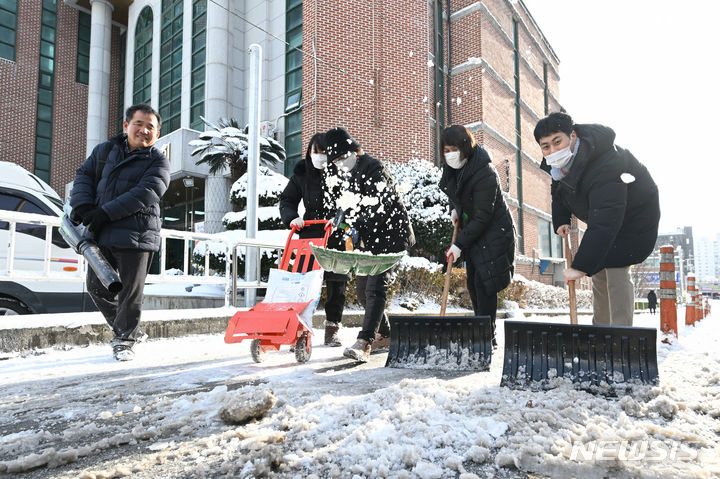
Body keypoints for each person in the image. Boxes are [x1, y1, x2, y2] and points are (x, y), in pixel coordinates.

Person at [533, 112, 660, 327]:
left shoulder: (605, 161)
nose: (552, 151)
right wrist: (561, 219)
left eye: (557, 142)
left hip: (634, 217)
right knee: (599, 272)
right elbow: (560, 192)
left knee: (616, 270)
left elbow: (606, 220)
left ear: (572, 136)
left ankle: (621, 337)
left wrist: (580, 266)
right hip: (605, 216)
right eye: (546, 147)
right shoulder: (561, 166)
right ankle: (601, 334)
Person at [70, 104, 170, 361]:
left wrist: (103, 213)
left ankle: (125, 340)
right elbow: (84, 175)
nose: (144, 130)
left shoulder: (158, 160)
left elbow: (146, 193)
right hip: (102, 233)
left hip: (137, 235)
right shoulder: (105, 151)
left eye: (151, 127)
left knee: (130, 292)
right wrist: (82, 205)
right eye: (139, 124)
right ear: (126, 126)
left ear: (157, 134)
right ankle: (129, 329)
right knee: (96, 286)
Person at [323, 127, 414, 362]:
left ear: (354, 150)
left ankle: (365, 342)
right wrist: (339, 223)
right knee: (363, 291)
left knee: (375, 287)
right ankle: (386, 334)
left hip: (390, 237)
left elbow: (377, 206)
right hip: (371, 239)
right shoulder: (349, 175)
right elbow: (347, 206)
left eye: (343, 157)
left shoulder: (374, 168)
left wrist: (356, 224)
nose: (340, 163)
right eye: (336, 161)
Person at [438, 125, 515, 338]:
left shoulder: (484, 172)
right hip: (474, 232)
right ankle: (482, 331)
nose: (450, 154)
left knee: (485, 284)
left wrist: (459, 244)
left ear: (465, 147)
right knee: (473, 282)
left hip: (494, 233)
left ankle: (486, 335)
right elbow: (455, 194)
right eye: (445, 150)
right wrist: (453, 209)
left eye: (454, 148)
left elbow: (483, 215)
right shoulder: (454, 170)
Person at [279, 133, 350, 347]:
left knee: (337, 283)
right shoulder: (301, 173)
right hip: (309, 234)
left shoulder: (341, 174)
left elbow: (348, 202)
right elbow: (287, 199)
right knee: (305, 283)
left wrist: (338, 220)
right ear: (309, 153)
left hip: (335, 234)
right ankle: (299, 326)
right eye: (315, 152)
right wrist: (292, 219)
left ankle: (333, 328)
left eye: (323, 152)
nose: (318, 156)